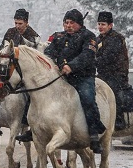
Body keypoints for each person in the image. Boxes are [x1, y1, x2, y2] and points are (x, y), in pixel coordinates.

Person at [43, 9, 106, 153]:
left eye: (72, 23)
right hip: (62, 77)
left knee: (87, 98)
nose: (68, 25)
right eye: (66, 22)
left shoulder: (89, 37)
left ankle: (94, 134)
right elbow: (48, 53)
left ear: (79, 24)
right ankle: (30, 125)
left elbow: (87, 55)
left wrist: (72, 66)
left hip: (83, 77)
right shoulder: (59, 37)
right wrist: (59, 64)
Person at [4, 8, 40, 142]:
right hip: (10, 69)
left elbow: (34, 57)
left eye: (20, 23)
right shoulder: (10, 32)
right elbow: (5, 49)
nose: (17, 26)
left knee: (33, 95)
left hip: (27, 72)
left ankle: (27, 121)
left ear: (26, 23)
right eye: (16, 23)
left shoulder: (33, 36)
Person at [95, 11, 131, 130]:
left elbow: (108, 57)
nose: (100, 27)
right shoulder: (98, 39)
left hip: (116, 74)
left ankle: (118, 119)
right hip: (102, 74)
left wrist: (92, 60)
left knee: (114, 91)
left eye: (103, 24)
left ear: (110, 25)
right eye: (99, 24)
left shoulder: (116, 39)